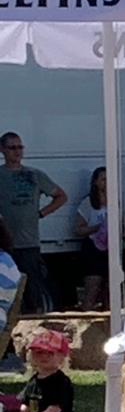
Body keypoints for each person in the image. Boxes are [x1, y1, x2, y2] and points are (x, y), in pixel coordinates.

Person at [0, 131, 67, 314]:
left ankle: (33, 318)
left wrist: (41, 213)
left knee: (32, 288)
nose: (17, 151)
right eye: (12, 148)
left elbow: (61, 196)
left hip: (29, 242)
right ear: (2, 150)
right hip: (5, 244)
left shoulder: (35, 175)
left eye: (20, 147)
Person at [13, 329, 77, 412]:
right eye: (39, 352)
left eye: (50, 353)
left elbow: (56, 407)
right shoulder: (33, 381)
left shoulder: (61, 381)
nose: (44, 356)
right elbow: (25, 402)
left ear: (62, 357)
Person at [71, 165, 109, 310]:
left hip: (111, 247)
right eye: (103, 179)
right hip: (93, 248)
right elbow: (78, 229)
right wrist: (97, 227)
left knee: (110, 290)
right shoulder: (88, 203)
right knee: (93, 287)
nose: (106, 183)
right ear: (96, 182)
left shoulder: (115, 201)